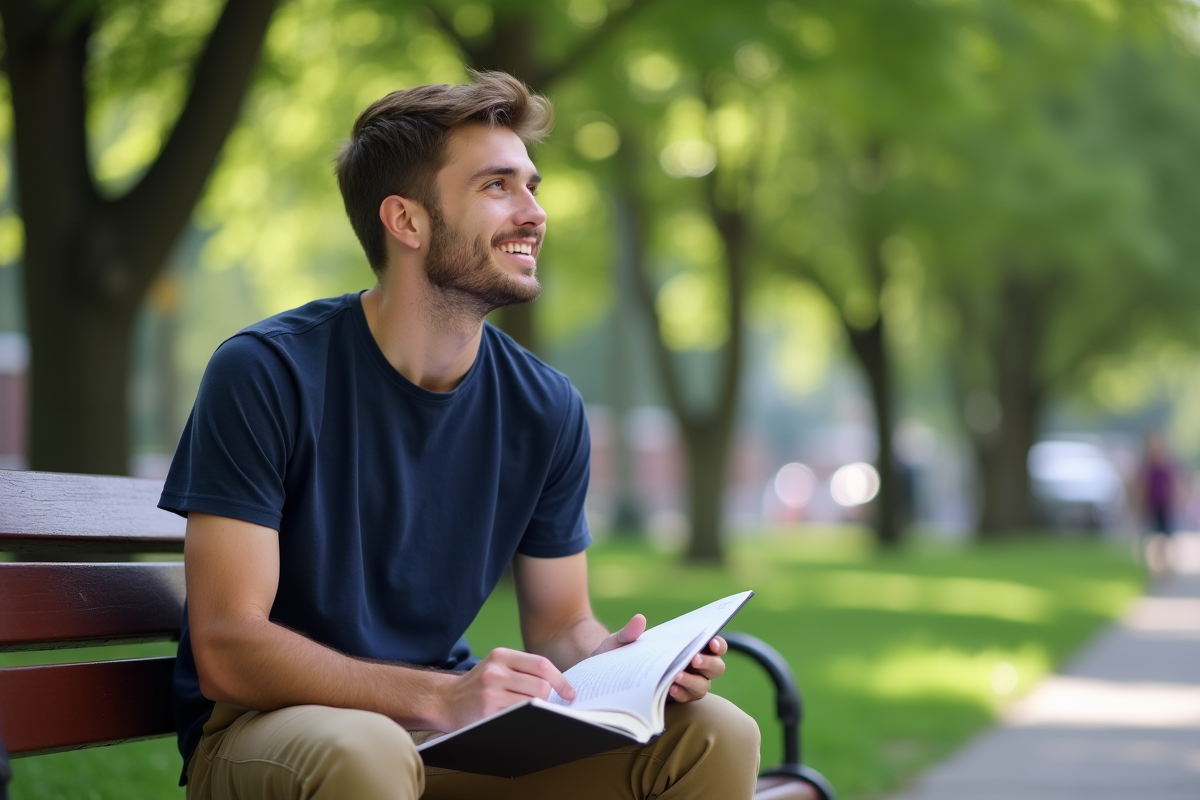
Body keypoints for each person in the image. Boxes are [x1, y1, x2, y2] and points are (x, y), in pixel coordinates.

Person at [159, 71, 760, 800]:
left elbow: (562, 626)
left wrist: (623, 663)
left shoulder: (545, 407)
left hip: (445, 737)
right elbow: (227, 649)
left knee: (714, 735)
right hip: (272, 732)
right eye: (497, 186)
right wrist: (440, 697)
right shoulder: (265, 373)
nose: (534, 212)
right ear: (406, 222)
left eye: (532, 185)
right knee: (366, 747)